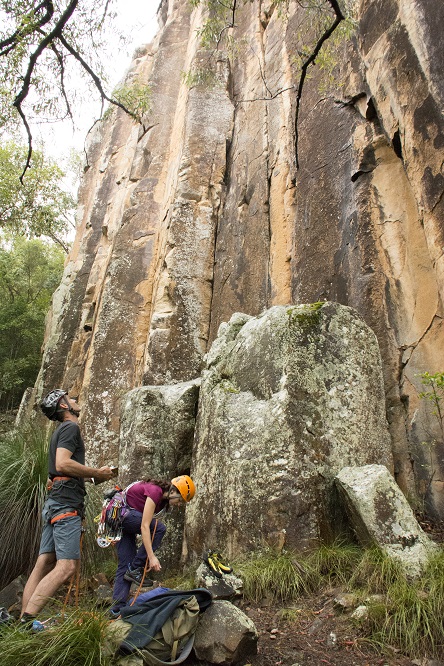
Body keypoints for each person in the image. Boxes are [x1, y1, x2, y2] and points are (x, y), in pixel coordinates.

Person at [20, 389, 116, 628]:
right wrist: (96, 472)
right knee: (67, 566)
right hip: (66, 505)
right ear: (63, 405)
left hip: (55, 501)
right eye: (71, 398)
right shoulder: (70, 428)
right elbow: (63, 463)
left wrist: (92, 478)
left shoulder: (58, 433)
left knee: (44, 561)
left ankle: (21, 619)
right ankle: (27, 621)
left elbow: (55, 472)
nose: (75, 400)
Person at [111, 475, 196, 614]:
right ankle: (136, 567)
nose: (179, 504)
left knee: (126, 565)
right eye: (180, 500)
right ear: (173, 491)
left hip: (121, 520)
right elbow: (145, 526)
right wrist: (151, 557)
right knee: (160, 529)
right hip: (122, 515)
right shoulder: (155, 491)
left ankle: (117, 609)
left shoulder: (162, 502)